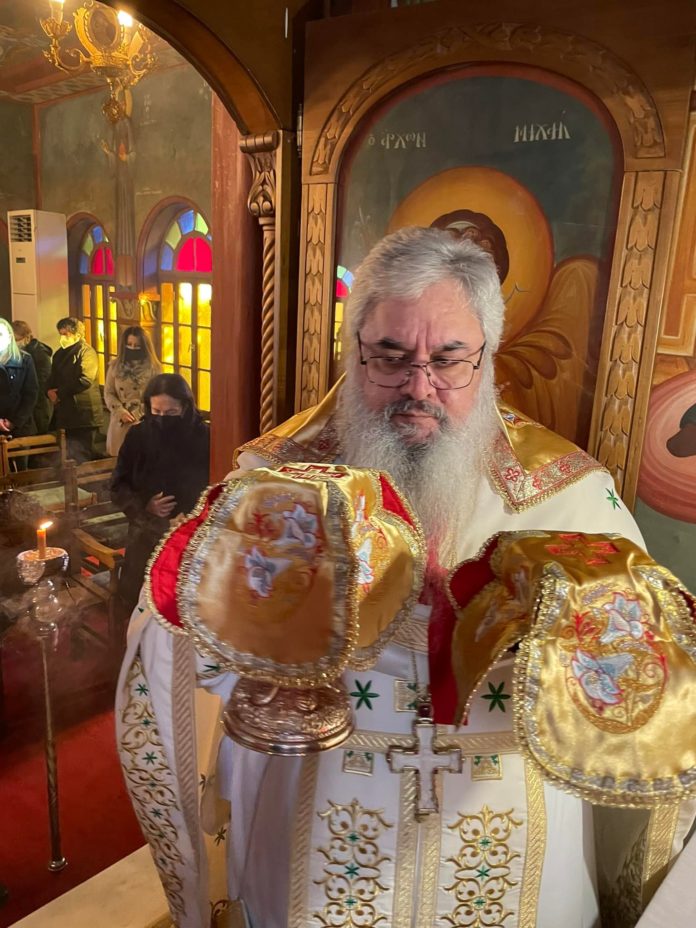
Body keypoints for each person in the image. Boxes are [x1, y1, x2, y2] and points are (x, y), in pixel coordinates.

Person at [116, 228, 695, 928]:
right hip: (323, 835)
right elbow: (180, 645)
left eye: (448, 359)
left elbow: (652, 688)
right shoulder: (274, 482)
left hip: (507, 841)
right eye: (391, 357)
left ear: (486, 357)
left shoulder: (570, 498)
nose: (419, 388)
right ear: (355, 348)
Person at [110, 373, 210, 616]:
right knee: (140, 602)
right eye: (157, 412)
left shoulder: (205, 436)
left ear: (185, 406)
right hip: (146, 532)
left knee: (187, 606)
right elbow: (117, 486)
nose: (163, 418)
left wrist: (195, 514)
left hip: (194, 533)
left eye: (171, 412)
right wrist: (145, 505)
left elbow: (218, 484)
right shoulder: (138, 435)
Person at [46, 317, 104, 463]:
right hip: (65, 412)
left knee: (83, 453)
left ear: (77, 334)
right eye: (60, 334)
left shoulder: (86, 352)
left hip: (84, 413)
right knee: (67, 454)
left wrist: (59, 393)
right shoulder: (59, 354)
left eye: (66, 334)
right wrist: (48, 391)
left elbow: (85, 380)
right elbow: (52, 377)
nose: (62, 338)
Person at [104, 326, 161, 456]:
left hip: (144, 420)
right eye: (129, 344)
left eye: (137, 345)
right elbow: (108, 392)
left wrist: (138, 412)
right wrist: (119, 411)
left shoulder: (154, 368)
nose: (132, 348)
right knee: (119, 458)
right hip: (120, 421)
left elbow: (157, 396)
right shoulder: (115, 366)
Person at [0, 319, 38, 459]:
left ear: (10, 336)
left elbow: (31, 394)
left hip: (19, 428)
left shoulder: (24, 360)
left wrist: (14, 421)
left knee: (20, 468)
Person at [11, 320, 53, 435]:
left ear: (27, 338)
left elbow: (40, 385)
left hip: (37, 409)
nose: (13, 343)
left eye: (16, 340)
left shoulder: (39, 355)